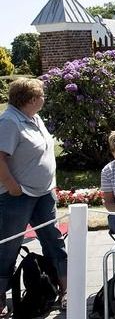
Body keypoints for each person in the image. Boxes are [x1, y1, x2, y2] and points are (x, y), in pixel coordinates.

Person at [0, 78, 68, 314]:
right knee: (9, 246)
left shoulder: (34, 117)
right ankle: (0, 297)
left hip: (43, 193)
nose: (44, 99)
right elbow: (0, 157)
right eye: (41, 95)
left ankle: (65, 289)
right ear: (29, 100)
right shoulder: (9, 121)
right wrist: (12, 186)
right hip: (18, 196)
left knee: (53, 240)